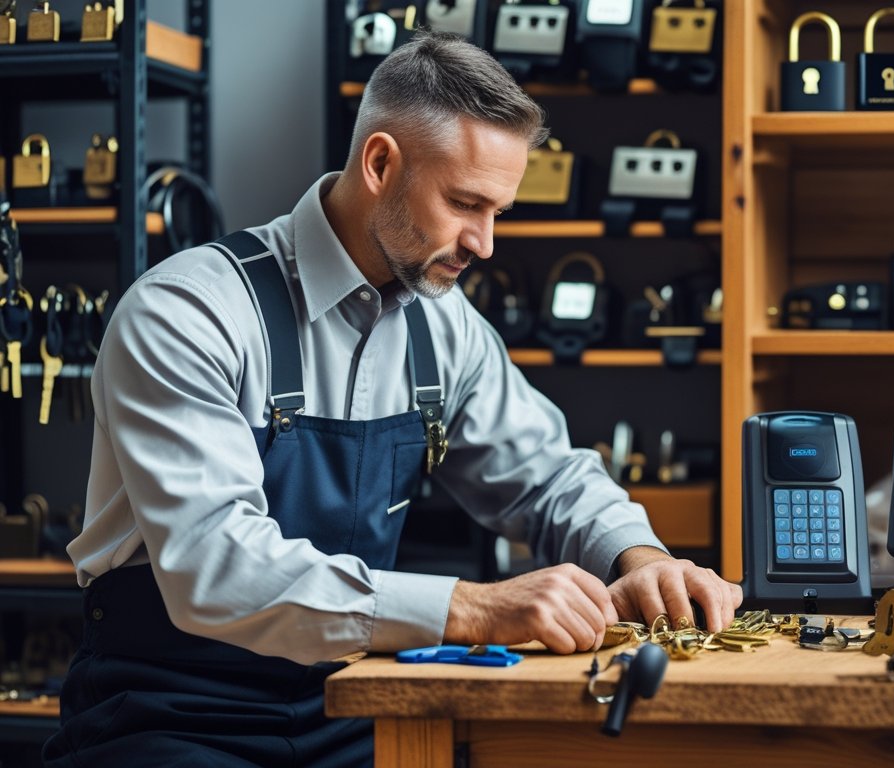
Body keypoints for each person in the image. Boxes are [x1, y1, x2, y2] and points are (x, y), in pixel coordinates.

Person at [44, 31, 741, 767]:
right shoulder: (188, 314)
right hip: (170, 713)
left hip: (357, 703)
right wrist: (472, 609)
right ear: (380, 163)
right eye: (466, 203)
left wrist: (641, 559)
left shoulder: (443, 326)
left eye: (498, 212)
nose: (485, 243)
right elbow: (216, 568)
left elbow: (549, 477)